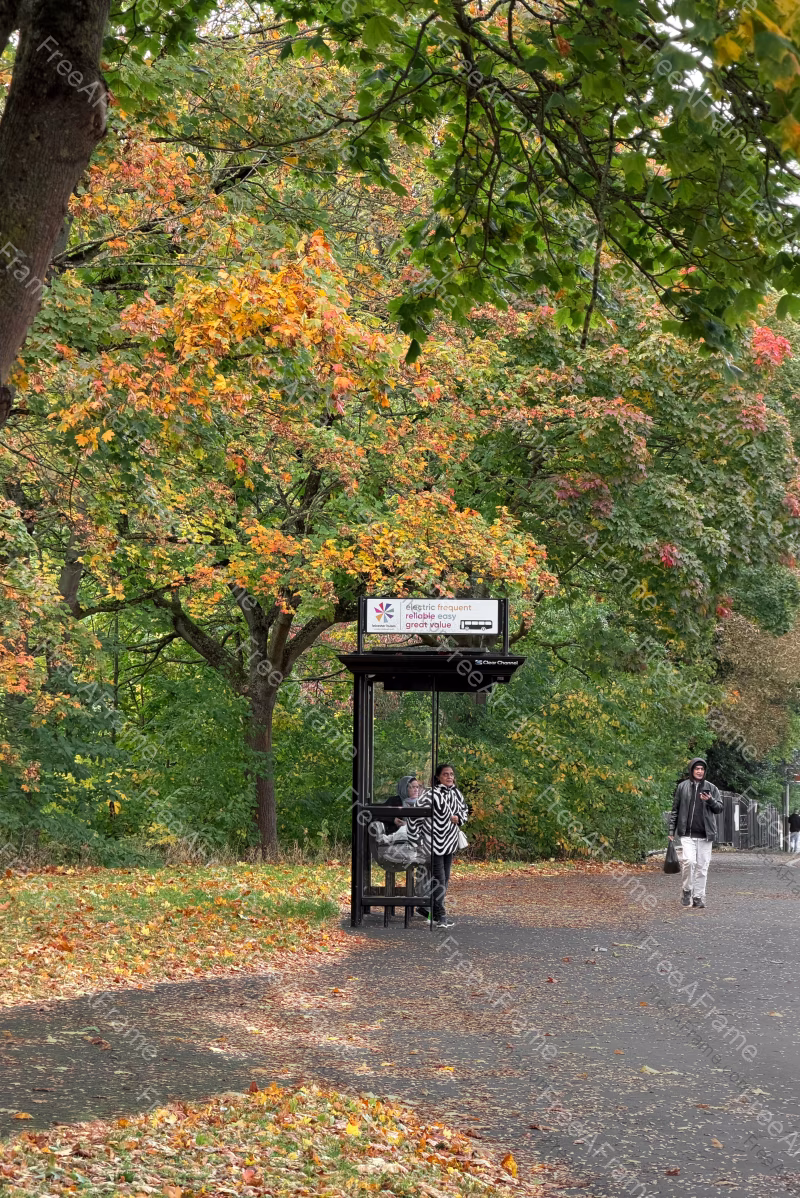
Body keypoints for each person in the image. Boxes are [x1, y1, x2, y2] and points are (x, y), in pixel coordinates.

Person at [411, 763, 468, 929]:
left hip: (449, 842)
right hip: (433, 842)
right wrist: (418, 838)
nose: (449, 777)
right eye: (445, 774)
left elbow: (464, 811)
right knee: (439, 879)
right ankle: (440, 915)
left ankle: (432, 911)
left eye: (451, 774)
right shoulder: (430, 794)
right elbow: (415, 814)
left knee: (445, 877)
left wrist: (460, 818)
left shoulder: (456, 793)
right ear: (438, 777)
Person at [668, 757, 723, 910]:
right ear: (692, 770)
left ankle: (698, 896)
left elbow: (719, 808)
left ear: (705, 771)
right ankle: (687, 890)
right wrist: (671, 830)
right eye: (697, 769)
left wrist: (710, 800)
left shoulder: (712, 788)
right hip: (687, 834)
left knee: (702, 867)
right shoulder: (682, 787)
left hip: (706, 835)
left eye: (702, 769)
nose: (699, 771)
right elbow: (675, 810)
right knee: (689, 862)